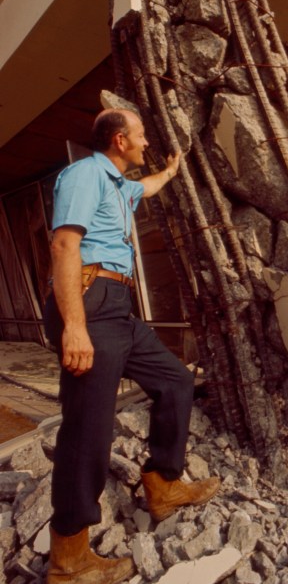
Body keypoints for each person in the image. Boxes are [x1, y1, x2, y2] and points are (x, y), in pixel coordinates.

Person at [44, 107, 220, 584]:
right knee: (88, 429)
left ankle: (162, 484)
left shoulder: (120, 186)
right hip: (89, 299)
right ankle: (69, 557)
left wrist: (170, 171)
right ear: (120, 140)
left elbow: (147, 186)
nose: (146, 143)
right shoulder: (83, 174)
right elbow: (64, 245)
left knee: (176, 381)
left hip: (117, 304)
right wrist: (74, 327)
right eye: (141, 137)